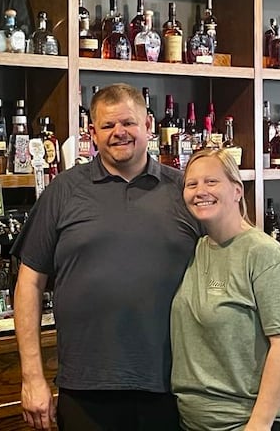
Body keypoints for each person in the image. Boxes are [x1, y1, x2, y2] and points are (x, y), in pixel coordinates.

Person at [12, 83, 202, 431]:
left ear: (148, 125)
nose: (119, 133)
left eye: (128, 123)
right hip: (86, 387)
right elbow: (29, 284)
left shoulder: (185, 190)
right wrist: (32, 377)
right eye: (107, 126)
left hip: (175, 385)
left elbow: (226, 264)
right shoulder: (63, 191)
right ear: (92, 134)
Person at [171, 149, 280, 431]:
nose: (200, 191)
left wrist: (258, 425)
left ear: (237, 190)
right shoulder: (197, 249)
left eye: (211, 182)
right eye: (192, 184)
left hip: (250, 422)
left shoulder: (265, 255)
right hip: (196, 422)